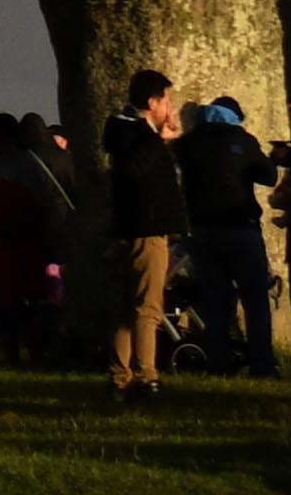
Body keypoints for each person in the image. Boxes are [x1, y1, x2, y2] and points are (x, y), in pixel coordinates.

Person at [98, 73, 185, 400]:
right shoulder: (135, 134)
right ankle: (147, 375)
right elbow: (136, 171)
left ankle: (120, 375)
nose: (169, 107)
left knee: (127, 307)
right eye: (166, 100)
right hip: (145, 229)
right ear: (152, 103)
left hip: (132, 228)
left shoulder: (128, 132)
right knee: (148, 306)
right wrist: (159, 140)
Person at [176, 93, 273, 370]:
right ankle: (262, 362)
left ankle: (218, 361)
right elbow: (269, 175)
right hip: (242, 228)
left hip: (203, 230)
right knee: (254, 298)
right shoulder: (243, 140)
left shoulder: (187, 144)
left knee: (214, 298)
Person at [0, 112, 67, 356]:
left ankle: (10, 350)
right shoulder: (35, 166)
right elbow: (44, 202)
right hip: (29, 240)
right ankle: (37, 349)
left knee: (5, 300)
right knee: (32, 298)